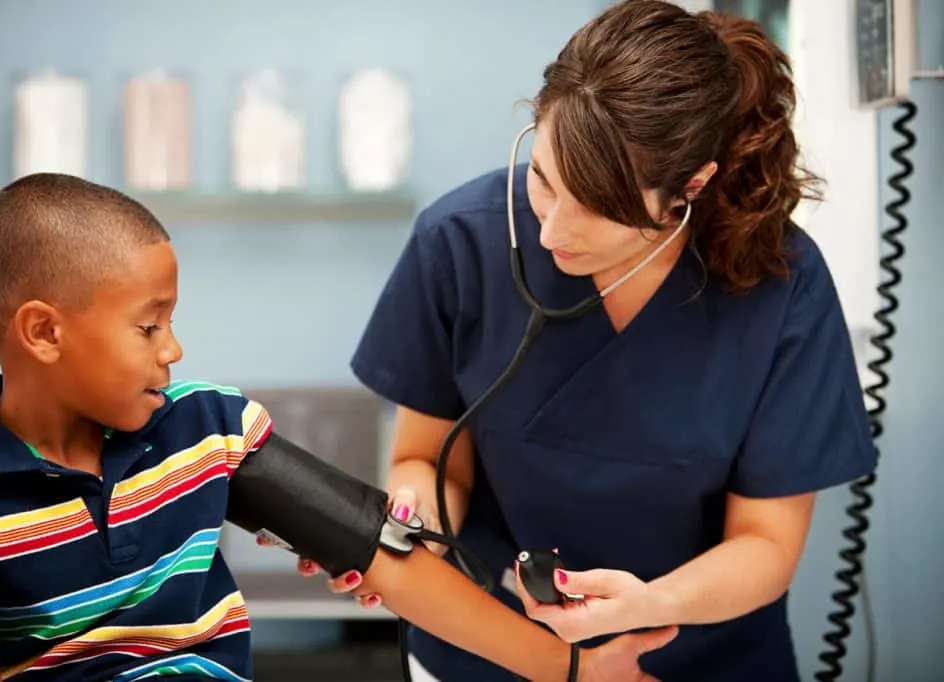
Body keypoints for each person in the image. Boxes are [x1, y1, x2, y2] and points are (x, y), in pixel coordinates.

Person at [283, 1, 878, 681]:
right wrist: (410, 528)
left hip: (696, 658)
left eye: (598, 205)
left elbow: (767, 545)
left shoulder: (779, 283)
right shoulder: (459, 241)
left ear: (690, 185)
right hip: (487, 653)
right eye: (543, 178)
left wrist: (648, 605)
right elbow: (428, 462)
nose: (551, 231)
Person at [0, 173, 674, 682]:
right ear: (43, 333)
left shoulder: (205, 428)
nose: (173, 349)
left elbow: (387, 559)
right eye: (148, 327)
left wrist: (570, 670)